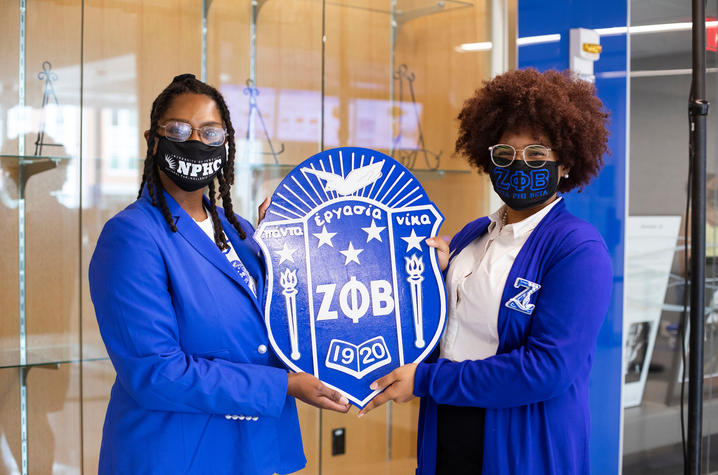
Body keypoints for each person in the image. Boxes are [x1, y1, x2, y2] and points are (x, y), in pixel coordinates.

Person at [89, 74, 350, 475]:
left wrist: (288, 250)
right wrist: (284, 386)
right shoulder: (132, 237)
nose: (196, 141)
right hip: (177, 454)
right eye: (179, 129)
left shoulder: (242, 231)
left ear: (226, 144)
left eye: (211, 132)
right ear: (153, 140)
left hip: (254, 450)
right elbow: (156, 373)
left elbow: (288, 319)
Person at [358, 68, 613, 475]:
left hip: (524, 442)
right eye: (505, 155)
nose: (518, 166)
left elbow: (546, 369)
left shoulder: (577, 249)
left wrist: (427, 381)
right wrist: (431, 278)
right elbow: (438, 326)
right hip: (449, 425)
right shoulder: (473, 235)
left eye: (536, 154)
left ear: (564, 164)